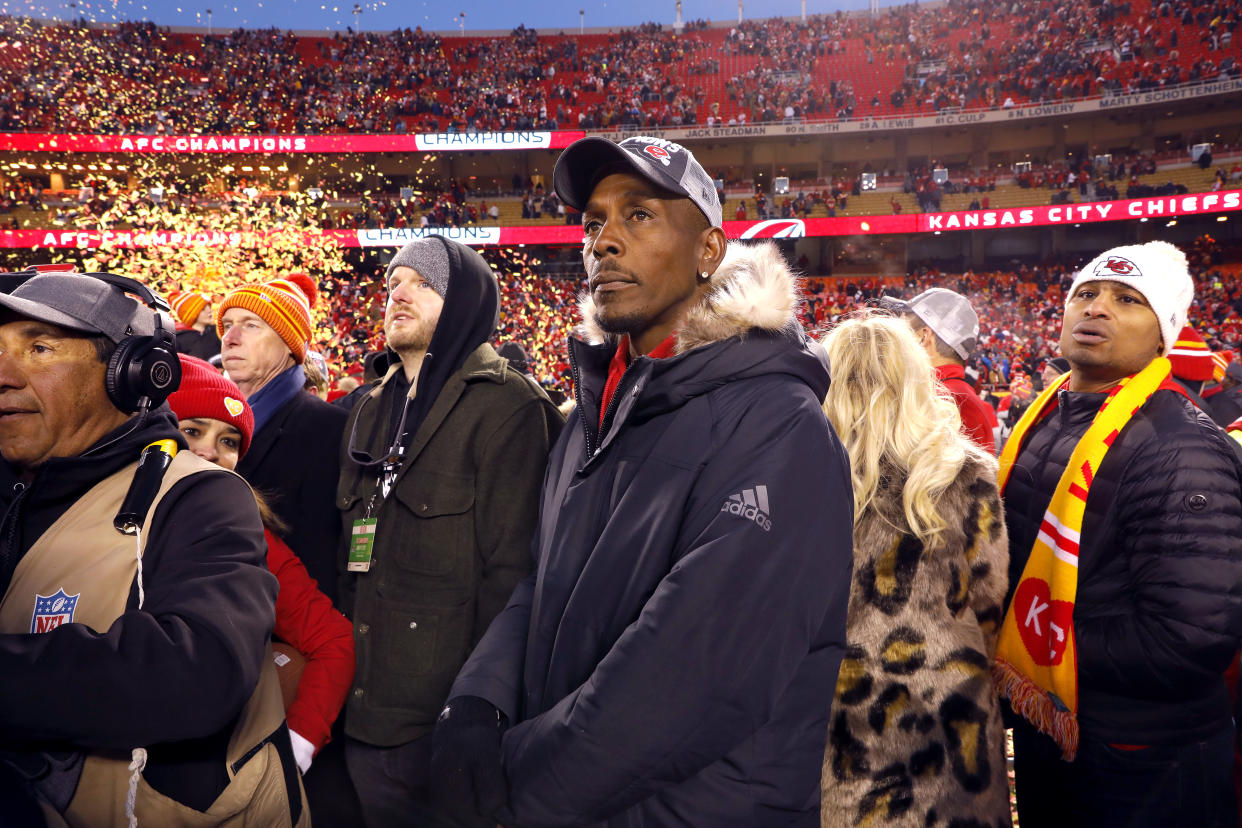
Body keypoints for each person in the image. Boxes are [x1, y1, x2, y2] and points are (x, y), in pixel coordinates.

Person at [431, 135, 854, 827]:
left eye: (639, 215)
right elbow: (542, 582)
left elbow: (694, 680)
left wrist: (515, 790)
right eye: (594, 221)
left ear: (708, 252)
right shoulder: (594, 414)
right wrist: (476, 704)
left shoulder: (780, 426)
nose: (604, 242)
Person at [0, 271, 306, 825]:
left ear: (127, 372)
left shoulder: (203, 495)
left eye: (38, 348)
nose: (3, 375)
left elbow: (200, 670)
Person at [996, 241, 1242, 828]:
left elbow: (1190, 637)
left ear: (1164, 336)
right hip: (1057, 727)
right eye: (1085, 293)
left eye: (1127, 299)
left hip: (1143, 756)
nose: (1097, 308)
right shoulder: (1051, 415)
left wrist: (1021, 645)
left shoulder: (1181, 447)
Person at [337, 235, 562, 828]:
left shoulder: (509, 408)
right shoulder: (366, 409)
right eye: (392, 284)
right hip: (355, 715)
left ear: (462, 302)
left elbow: (514, 576)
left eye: (422, 283)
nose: (398, 294)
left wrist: (479, 711)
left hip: (437, 726)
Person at [819, 313, 1010, 827]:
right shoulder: (965, 470)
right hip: (947, 706)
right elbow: (990, 598)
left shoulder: (796, 470)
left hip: (830, 701)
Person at [166, 354, 356, 781]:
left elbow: (335, 641)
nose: (210, 452)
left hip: (198, 775)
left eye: (229, 441)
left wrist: (296, 748)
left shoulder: (252, 536)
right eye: (192, 430)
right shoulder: (90, 512)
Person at [216, 273, 347, 606]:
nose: (229, 337)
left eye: (251, 325)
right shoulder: (207, 426)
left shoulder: (331, 429)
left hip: (293, 633)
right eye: (227, 324)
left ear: (290, 344)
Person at [883, 287, 998, 453]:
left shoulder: (946, 399)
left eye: (904, 331)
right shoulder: (951, 392)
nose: (898, 340)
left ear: (924, 337)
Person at [170, 289, 220, 360]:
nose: (209, 310)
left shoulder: (217, 331)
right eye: (203, 309)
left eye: (208, 306)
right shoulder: (179, 341)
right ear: (191, 316)